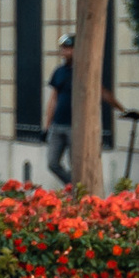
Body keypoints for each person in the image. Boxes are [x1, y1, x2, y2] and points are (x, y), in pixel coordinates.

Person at [45, 32, 114, 183]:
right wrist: (47, 126)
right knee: (52, 163)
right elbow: (53, 99)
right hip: (58, 125)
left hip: (75, 127)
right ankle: (72, 185)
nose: (65, 52)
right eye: (63, 48)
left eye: (68, 48)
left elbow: (102, 92)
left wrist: (120, 108)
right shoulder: (59, 72)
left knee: (76, 165)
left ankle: (77, 190)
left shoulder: (85, 71)